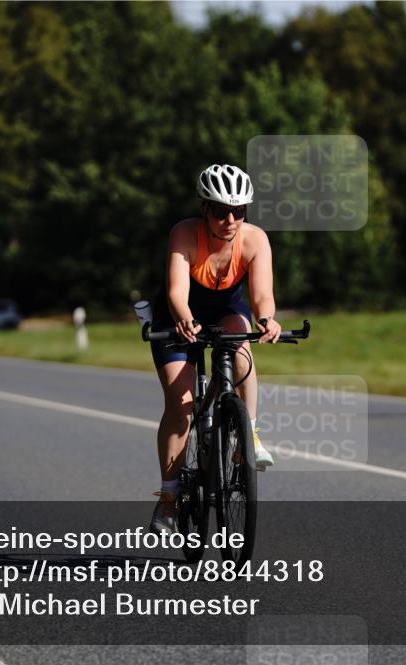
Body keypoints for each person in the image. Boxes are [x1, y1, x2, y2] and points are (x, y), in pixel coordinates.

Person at [148, 164, 280, 535]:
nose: (230, 220)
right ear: (204, 208)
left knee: (241, 346)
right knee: (181, 404)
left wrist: (267, 319)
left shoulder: (255, 240)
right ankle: (170, 499)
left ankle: (248, 433)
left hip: (226, 310)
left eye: (239, 211)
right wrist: (185, 318)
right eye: (221, 210)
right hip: (178, 315)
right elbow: (176, 291)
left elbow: (263, 296)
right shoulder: (185, 234)